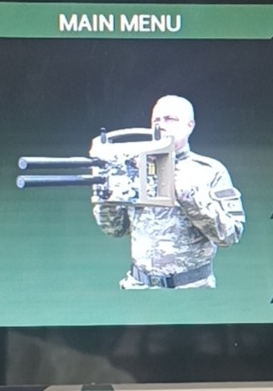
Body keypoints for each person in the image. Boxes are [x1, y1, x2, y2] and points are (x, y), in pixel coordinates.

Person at [92, 95, 244, 289]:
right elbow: (114, 230)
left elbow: (231, 235)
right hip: (139, 286)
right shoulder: (133, 167)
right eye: (156, 120)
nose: (161, 125)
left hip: (192, 287)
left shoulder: (210, 171)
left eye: (170, 119)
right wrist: (106, 196)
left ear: (189, 125)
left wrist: (189, 199)